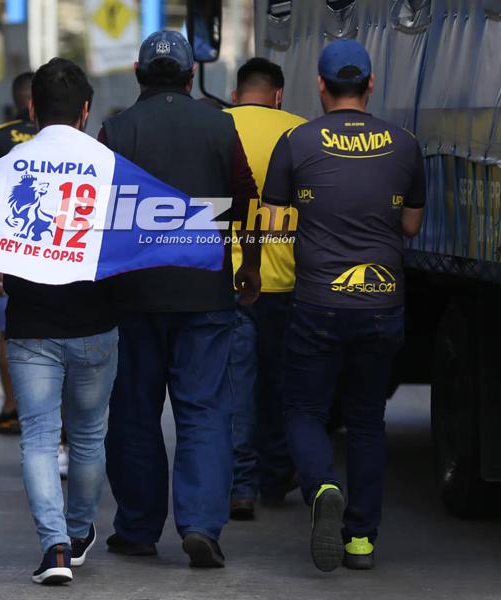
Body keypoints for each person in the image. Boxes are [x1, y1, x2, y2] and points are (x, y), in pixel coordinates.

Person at [261, 39, 425, 572]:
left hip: (316, 303)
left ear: (321, 86)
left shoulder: (296, 141)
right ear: (371, 84)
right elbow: (411, 224)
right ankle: (360, 541)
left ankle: (321, 486)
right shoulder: (405, 144)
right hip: (383, 303)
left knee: (303, 411)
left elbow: (274, 222)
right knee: (367, 420)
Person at [99, 31, 260, 569]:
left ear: (140, 75)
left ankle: (139, 528)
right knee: (205, 412)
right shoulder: (221, 124)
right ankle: (200, 526)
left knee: (134, 414)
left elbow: (97, 214)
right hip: (205, 293)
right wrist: (251, 266)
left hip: (133, 297)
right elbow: (245, 203)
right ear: (192, 76)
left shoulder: (116, 130)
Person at [0, 58, 118, 585]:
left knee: (39, 438)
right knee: (90, 436)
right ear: (86, 112)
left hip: (30, 325)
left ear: (31, 108)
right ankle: (78, 531)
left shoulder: (12, 164)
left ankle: (54, 550)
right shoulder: (112, 163)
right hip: (96, 320)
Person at [223, 58, 306, 521]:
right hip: (289, 281)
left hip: (231, 281)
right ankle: (278, 476)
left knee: (237, 389)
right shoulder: (301, 131)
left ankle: (242, 487)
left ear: (236, 94)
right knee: (282, 386)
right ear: (278, 94)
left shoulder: (216, 127)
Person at [0, 72, 38, 437]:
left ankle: (12, 407)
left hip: (5, 249)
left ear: (16, 100)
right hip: (50, 248)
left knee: (7, 330)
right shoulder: (62, 134)